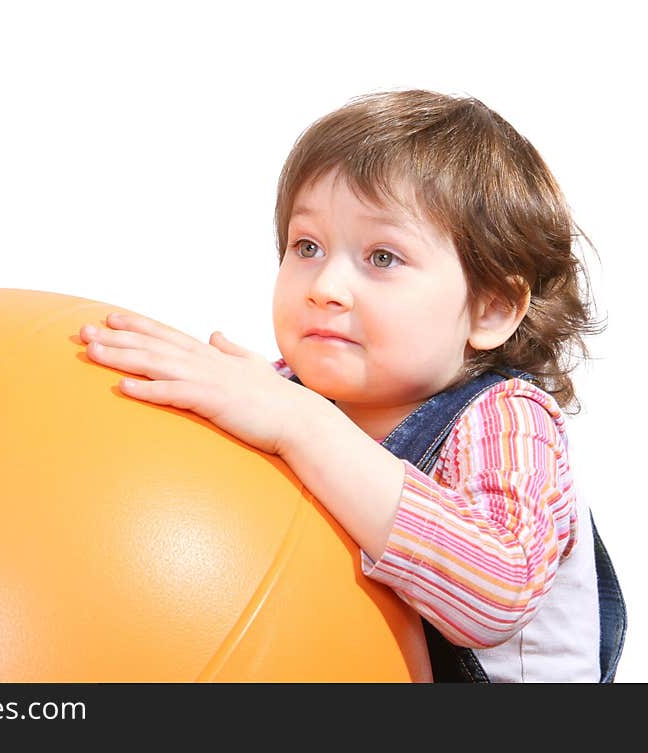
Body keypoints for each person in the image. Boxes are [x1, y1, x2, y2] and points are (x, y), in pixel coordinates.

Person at [78, 89, 609, 682]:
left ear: (490, 309)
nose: (325, 285)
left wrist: (303, 425)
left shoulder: (509, 421)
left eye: (382, 257)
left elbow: (497, 592)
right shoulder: (286, 394)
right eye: (307, 247)